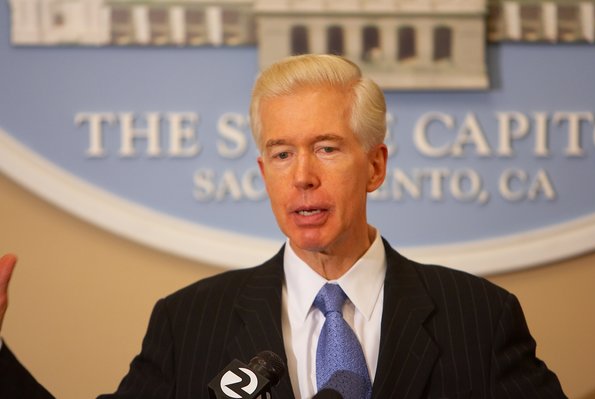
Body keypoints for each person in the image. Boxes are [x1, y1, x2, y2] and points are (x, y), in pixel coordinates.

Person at [0, 54, 566, 398]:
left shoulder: (480, 316)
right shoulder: (189, 321)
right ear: (262, 171)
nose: (303, 177)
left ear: (375, 166)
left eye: (326, 147)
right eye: (280, 154)